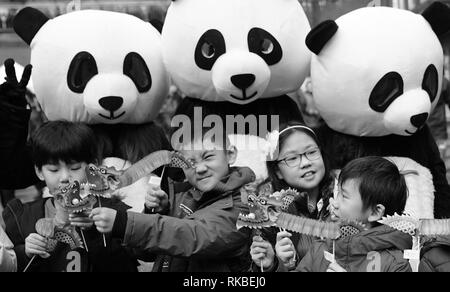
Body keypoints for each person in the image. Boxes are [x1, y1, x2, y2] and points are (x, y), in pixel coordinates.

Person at [90, 126, 255, 272]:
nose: (200, 168)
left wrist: (124, 223)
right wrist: (156, 211)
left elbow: (193, 236)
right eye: (189, 162)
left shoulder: (244, 205)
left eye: (208, 157)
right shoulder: (178, 195)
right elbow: (143, 253)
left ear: (231, 155)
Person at [2, 121, 138, 272]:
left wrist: (94, 233)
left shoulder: (114, 213)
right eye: (54, 170)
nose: (65, 177)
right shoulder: (20, 217)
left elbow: (130, 263)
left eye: (75, 168)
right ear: (39, 171)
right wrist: (25, 253)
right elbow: (9, 264)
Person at [253, 156, 412, 272]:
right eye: (337, 193)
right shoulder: (322, 246)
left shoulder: (395, 263)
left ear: (375, 212)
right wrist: (280, 265)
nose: (334, 202)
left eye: (344, 196)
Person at [250, 122, 335, 270]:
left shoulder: (344, 198)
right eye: (292, 158)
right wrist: (275, 264)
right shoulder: (267, 215)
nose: (306, 163)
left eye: (311, 152)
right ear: (277, 171)